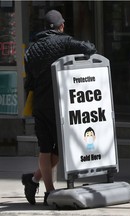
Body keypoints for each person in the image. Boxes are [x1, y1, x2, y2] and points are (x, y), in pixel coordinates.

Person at [21, 9, 97, 205]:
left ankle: (42, 186)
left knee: (45, 149)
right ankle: (38, 183)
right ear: (61, 26)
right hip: (60, 105)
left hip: (40, 105)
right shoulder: (64, 41)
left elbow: (28, 82)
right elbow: (89, 49)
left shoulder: (31, 50)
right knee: (62, 149)